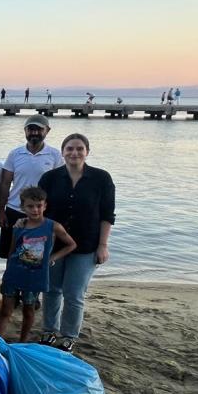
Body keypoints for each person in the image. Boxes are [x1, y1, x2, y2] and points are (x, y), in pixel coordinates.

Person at [37, 133, 115, 352]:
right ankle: (49, 330)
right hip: (53, 245)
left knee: (74, 293)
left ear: (87, 152)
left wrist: (103, 245)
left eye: (79, 148)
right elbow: (39, 210)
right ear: (62, 153)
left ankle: (69, 335)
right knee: (51, 290)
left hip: (86, 245)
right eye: (69, 148)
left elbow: (107, 214)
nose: (74, 153)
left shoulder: (101, 178)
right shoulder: (50, 178)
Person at [0, 187, 76, 341]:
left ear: (45, 206)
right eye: (30, 206)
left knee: (29, 310)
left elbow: (71, 245)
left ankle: (22, 342)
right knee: (6, 309)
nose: (35, 210)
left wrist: (52, 258)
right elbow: (12, 251)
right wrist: (7, 273)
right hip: (14, 274)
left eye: (39, 206)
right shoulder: (19, 226)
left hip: (34, 277)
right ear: (22, 207)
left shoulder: (52, 226)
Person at [0, 114, 63, 259]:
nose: (34, 133)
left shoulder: (55, 155)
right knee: (11, 253)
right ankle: (10, 280)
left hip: (40, 211)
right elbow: (5, 184)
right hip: (15, 209)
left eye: (39, 129)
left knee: (34, 254)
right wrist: (1, 211)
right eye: (30, 129)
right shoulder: (15, 154)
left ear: (47, 130)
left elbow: (60, 185)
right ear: (25, 130)